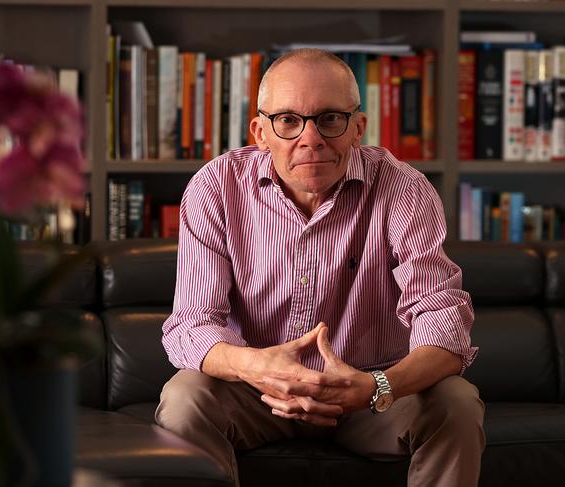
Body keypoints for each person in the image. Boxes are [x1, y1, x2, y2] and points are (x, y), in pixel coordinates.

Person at [157, 48, 485, 487]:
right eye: (288, 120)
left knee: (456, 403)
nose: (310, 139)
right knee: (184, 398)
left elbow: (443, 322)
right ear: (260, 132)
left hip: (372, 394)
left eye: (330, 119)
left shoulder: (404, 189)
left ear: (358, 128)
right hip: (255, 391)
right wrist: (257, 368)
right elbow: (192, 324)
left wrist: (377, 387)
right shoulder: (216, 187)